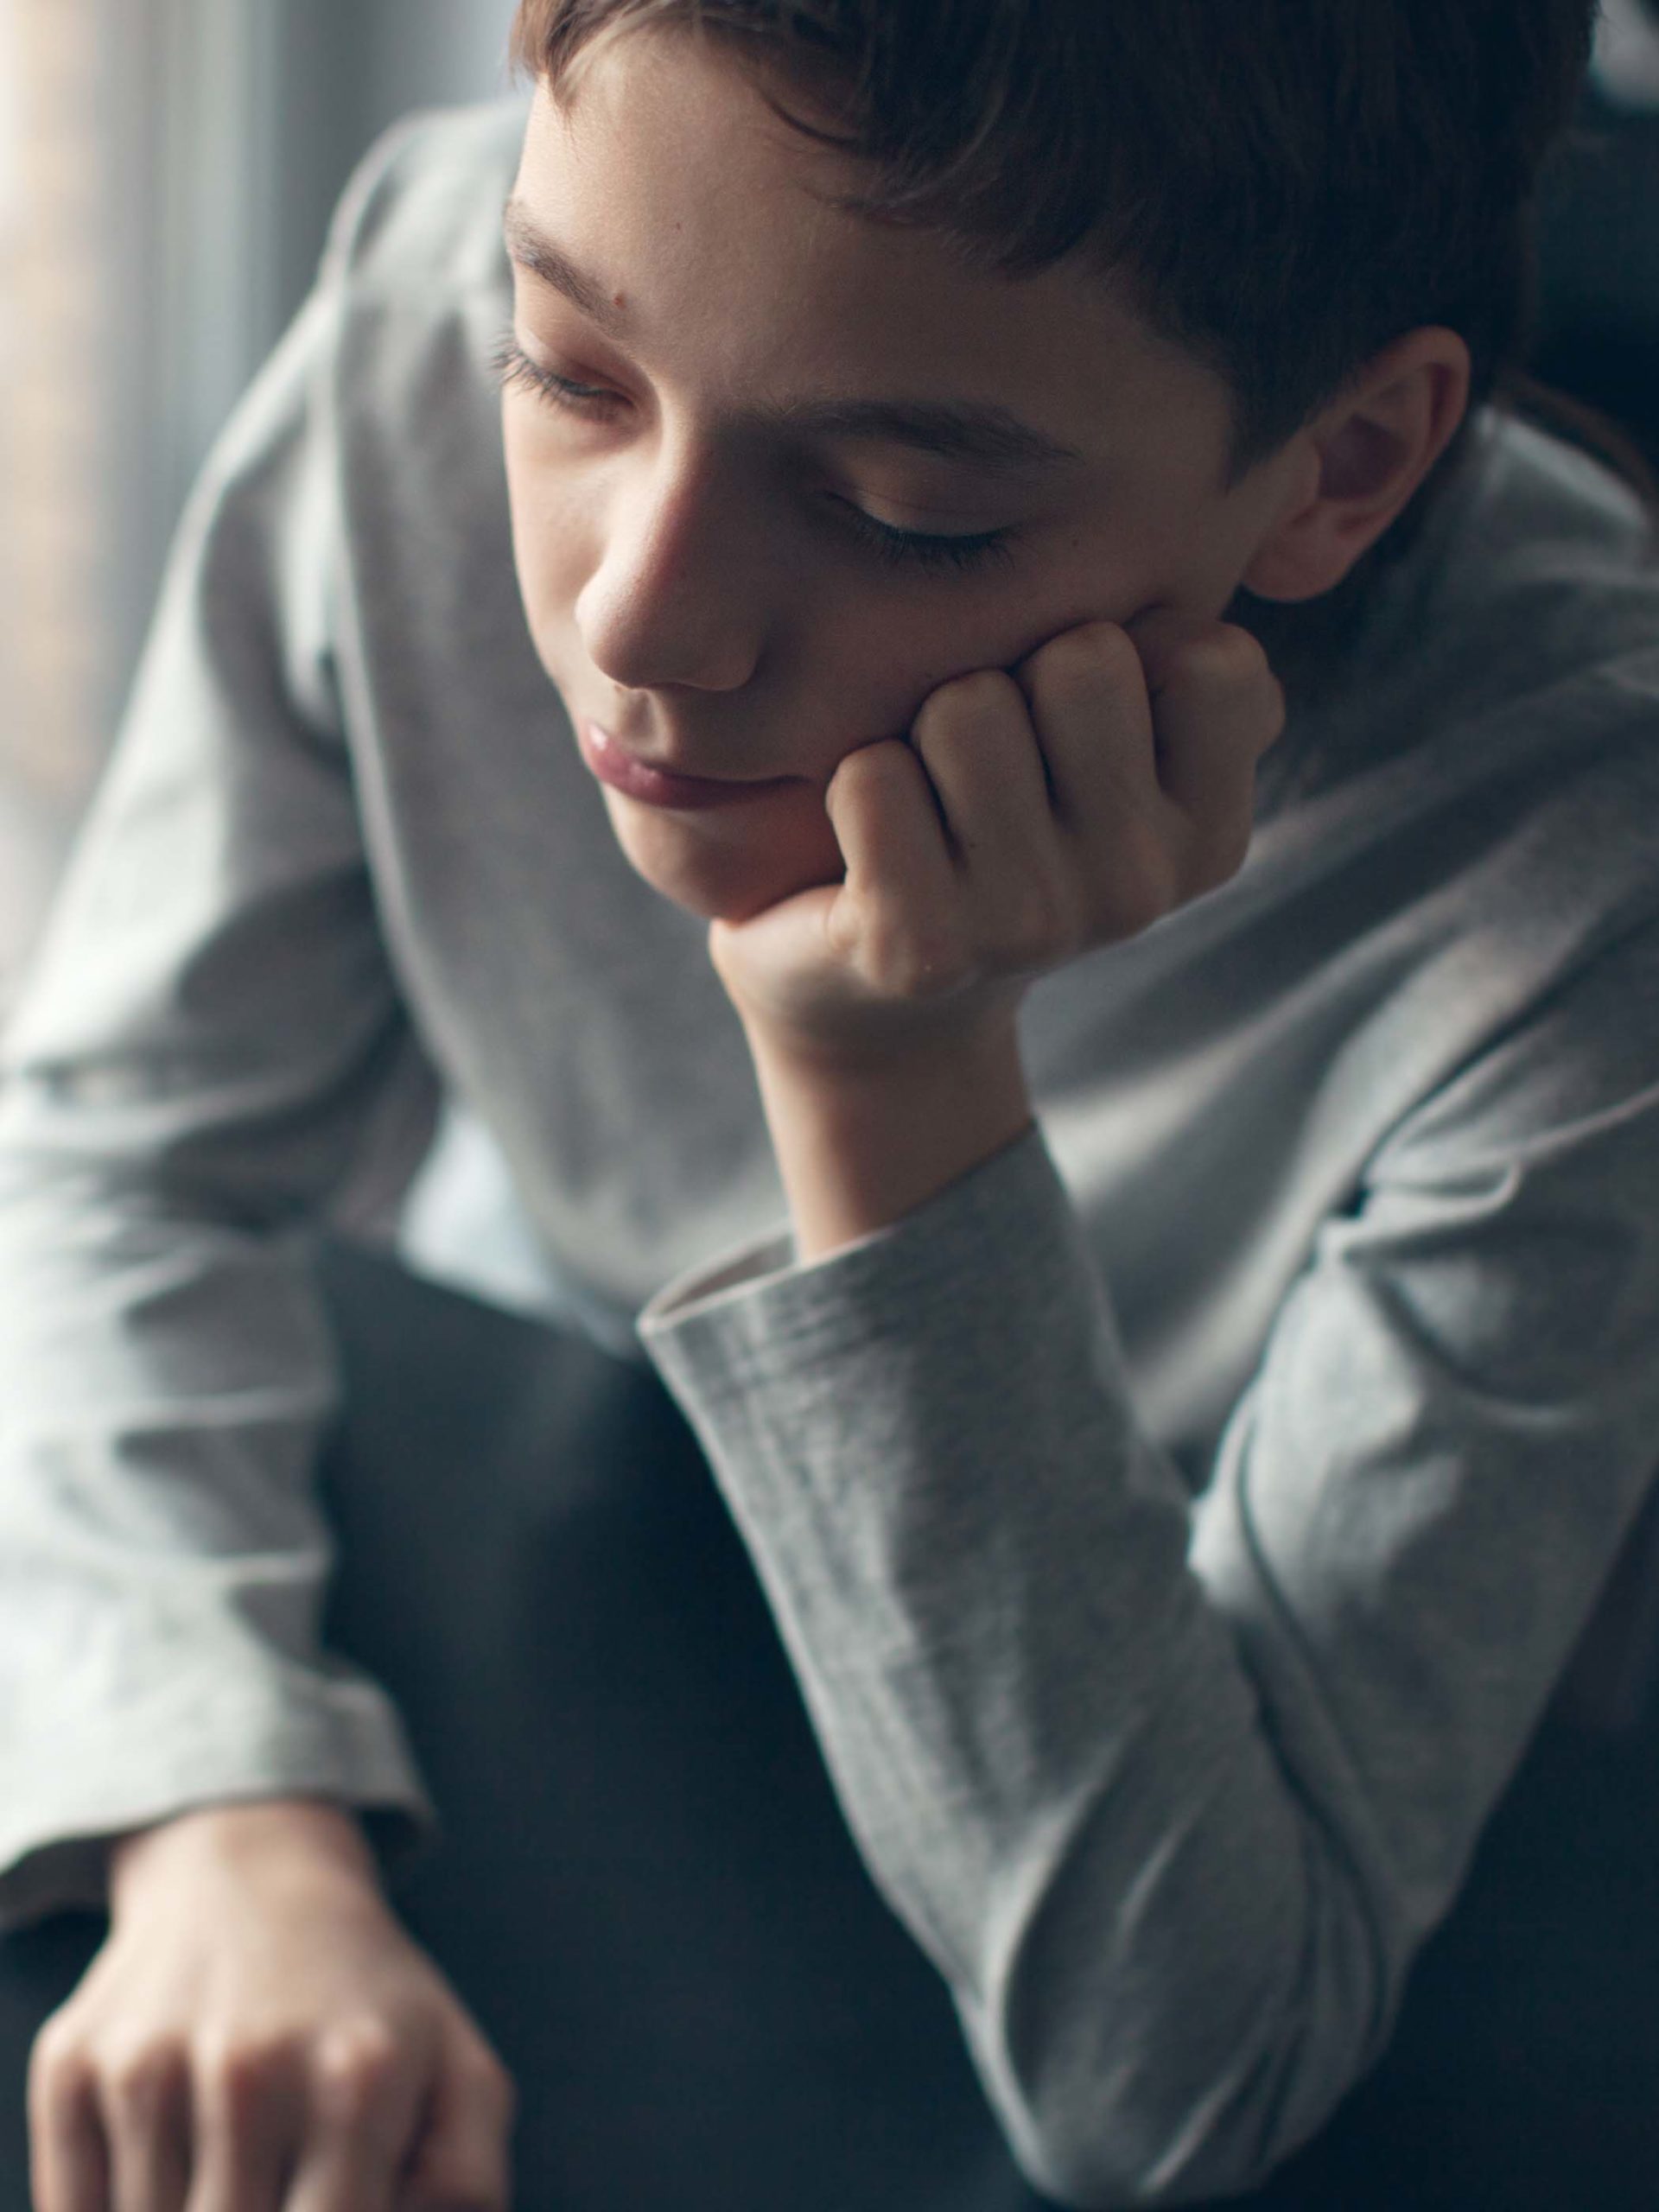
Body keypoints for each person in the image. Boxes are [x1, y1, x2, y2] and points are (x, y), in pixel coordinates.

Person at [3, 1, 1658, 2206]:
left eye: (910, 510)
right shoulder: (425, 317)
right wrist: (220, 1822)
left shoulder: (1582, 868)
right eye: (576, 375)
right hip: (592, 1550)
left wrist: (889, 1077)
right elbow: (115, 1151)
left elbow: (1182, 2064)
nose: (642, 617)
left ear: (1339, 469)